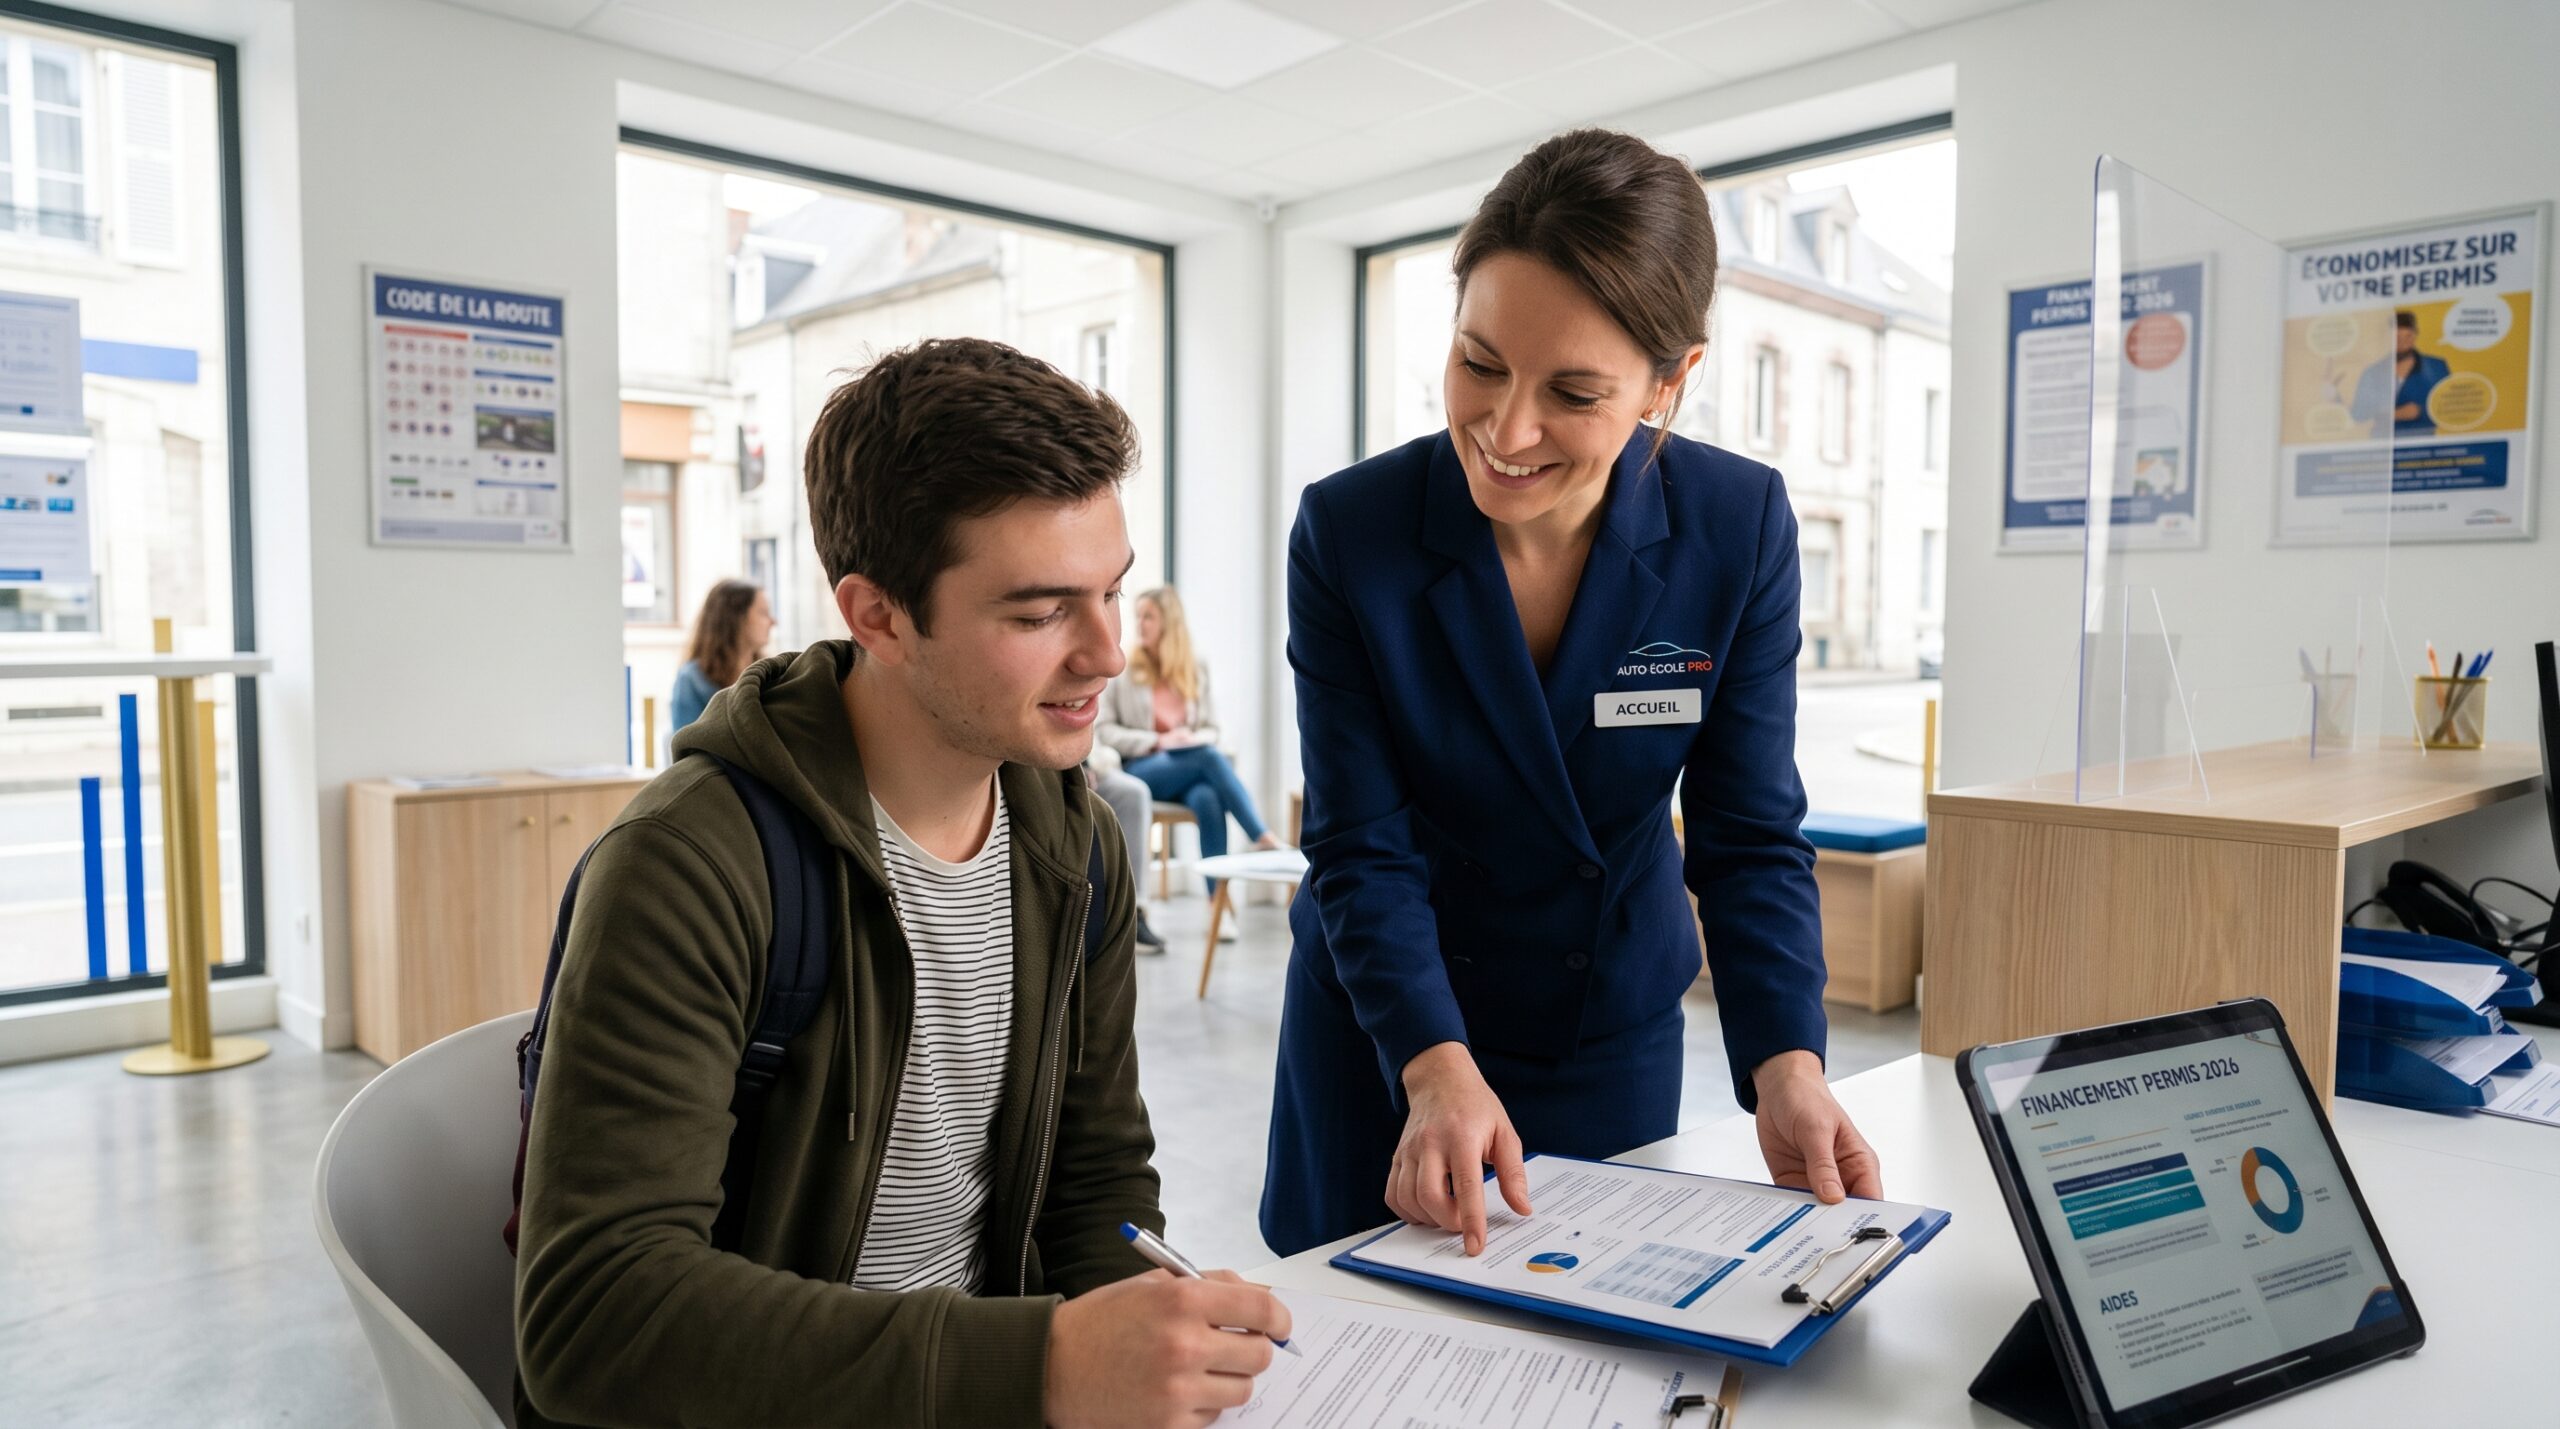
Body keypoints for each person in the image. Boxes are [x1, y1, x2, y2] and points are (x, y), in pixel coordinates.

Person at [514, 337, 1287, 1429]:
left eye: (1111, 591)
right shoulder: (688, 865)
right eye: (1040, 612)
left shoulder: (1072, 844)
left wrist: (1138, 1351)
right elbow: (595, 1316)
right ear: (877, 615)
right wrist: (1040, 1366)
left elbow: (1095, 1177)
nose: (1106, 653)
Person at [1261, 130, 1882, 1260]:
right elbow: (1360, 845)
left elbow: (1747, 834)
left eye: (1574, 392)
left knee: (1598, 1326)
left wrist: (1787, 1064)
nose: (1506, 431)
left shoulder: (1736, 528)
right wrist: (1432, 1062)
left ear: (1669, 381)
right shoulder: (1352, 531)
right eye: (1479, 363)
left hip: (1602, 1022)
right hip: (1390, 1027)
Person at [1098, 587, 1282, 900]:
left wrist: (1189, 740)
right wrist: (1159, 741)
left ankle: (1217, 903)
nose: (1139, 624)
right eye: (1138, 616)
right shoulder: (1125, 668)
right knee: (1208, 758)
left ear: (1169, 622)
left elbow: (1212, 729)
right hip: (1140, 769)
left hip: (1187, 769)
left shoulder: (1195, 668)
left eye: (1148, 617)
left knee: (1207, 798)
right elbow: (1104, 731)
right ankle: (1260, 834)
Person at [1087, 749, 1169, 952]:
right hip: (1111, 759)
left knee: (1204, 794)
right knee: (1209, 763)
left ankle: (1133, 911)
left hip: (1100, 760)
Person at [670, 578, 775, 734]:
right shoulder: (692, 679)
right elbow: (686, 744)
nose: (773, 622)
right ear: (736, 618)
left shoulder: (771, 675)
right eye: (763, 613)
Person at [2351, 310, 2450, 438]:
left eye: (2408, 336)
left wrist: (2420, 411)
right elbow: (2358, 415)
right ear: (2388, 338)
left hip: (2423, 442)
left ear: (2415, 336)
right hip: (2381, 442)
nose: (2402, 343)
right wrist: (2334, 397)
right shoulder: (2372, 372)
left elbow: (2451, 407)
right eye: (2396, 338)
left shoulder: (2436, 366)